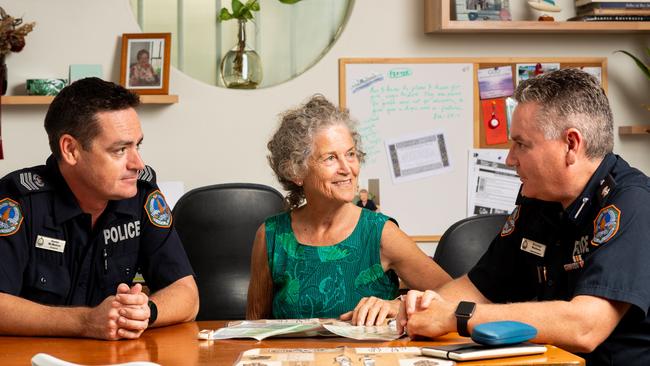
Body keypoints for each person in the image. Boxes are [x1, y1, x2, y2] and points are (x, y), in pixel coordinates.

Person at [398, 68, 650, 365]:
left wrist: (458, 317)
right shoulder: (541, 199)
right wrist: (414, 308)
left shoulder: (633, 204)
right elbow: (479, 287)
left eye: (521, 144)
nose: (509, 159)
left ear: (571, 144)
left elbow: (586, 327)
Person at [0, 77, 199, 340]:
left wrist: (145, 312)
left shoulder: (140, 194)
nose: (138, 163)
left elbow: (187, 293)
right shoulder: (17, 202)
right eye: (120, 150)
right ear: (70, 149)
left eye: (137, 145)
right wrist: (85, 322)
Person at [247, 94, 451, 325]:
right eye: (330, 158)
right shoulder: (271, 235)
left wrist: (397, 305)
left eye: (351, 154)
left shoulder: (380, 233)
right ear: (296, 172)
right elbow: (254, 325)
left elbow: (454, 298)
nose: (347, 168)